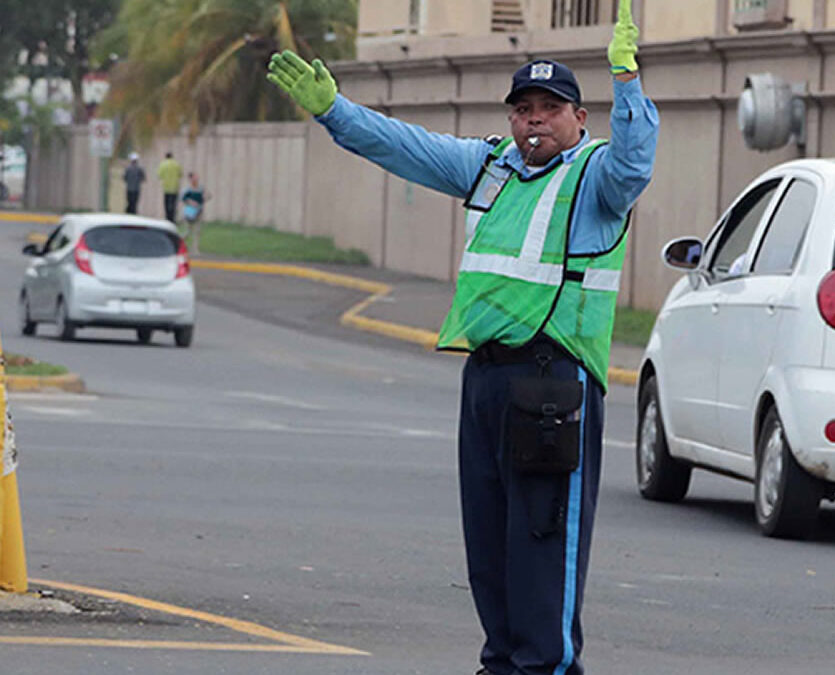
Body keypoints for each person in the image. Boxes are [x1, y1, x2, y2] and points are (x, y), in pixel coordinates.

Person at [268, 2, 656, 672]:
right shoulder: (489, 166)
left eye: (550, 107)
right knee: (490, 542)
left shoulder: (595, 177)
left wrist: (626, 80)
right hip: (486, 380)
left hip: (552, 384)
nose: (534, 119)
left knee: (543, 543)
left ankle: (547, 666)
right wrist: (335, 111)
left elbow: (635, 163)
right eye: (524, 108)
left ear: (578, 119)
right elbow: (403, 145)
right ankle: (501, 661)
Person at [180, 172, 209, 252]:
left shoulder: (201, 188)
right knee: (187, 231)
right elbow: (183, 198)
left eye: (196, 177)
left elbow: (207, 196)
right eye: (194, 177)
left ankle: (195, 248)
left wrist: (205, 197)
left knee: (198, 230)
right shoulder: (188, 189)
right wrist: (191, 202)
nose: (196, 179)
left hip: (199, 211)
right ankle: (179, 244)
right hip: (189, 212)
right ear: (190, 179)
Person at [157, 151, 183, 222]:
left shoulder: (163, 164)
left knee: (166, 204)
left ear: (166, 157)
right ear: (172, 156)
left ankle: (167, 219)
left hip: (166, 188)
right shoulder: (176, 164)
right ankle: (173, 219)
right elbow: (180, 174)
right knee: (173, 204)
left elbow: (159, 175)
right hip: (175, 188)